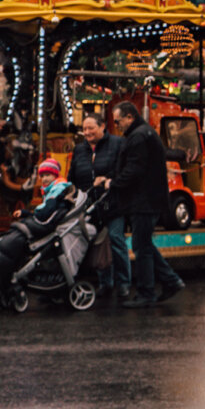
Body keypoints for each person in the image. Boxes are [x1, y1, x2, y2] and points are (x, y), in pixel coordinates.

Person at [107, 101, 184, 307]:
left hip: (144, 200)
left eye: (118, 121)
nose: (117, 125)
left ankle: (147, 292)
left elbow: (135, 169)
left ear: (129, 117)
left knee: (142, 247)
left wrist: (113, 183)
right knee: (144, 245)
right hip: (147, 199)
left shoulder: (138, 136)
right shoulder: (143, 133)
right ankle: (170, 281)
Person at [69, 112, 129, 298]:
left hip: (113, 202)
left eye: (91, 128)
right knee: (97, 243)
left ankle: (124, 283)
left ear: (102, 126)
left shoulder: (118, 144)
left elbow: (125, 170)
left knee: (116, 239)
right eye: (84, 129)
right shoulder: (80, 150)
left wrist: (108, 179)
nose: (87, 132)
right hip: (89, 204)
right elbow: (73, 175)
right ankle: (105, 282)